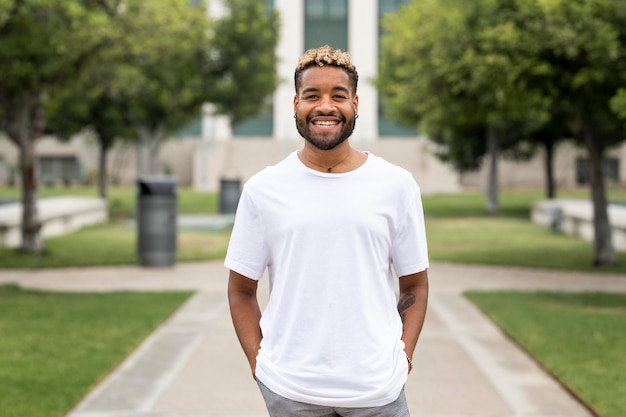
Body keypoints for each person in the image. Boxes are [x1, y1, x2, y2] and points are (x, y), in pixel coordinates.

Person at [226, 45, 429, 417]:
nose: (325, 106)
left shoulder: (397, 185)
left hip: (378, 392)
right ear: (295, 104)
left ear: (355, 103)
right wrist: (261, 366)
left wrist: (404, 357)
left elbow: (414, 284)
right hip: (290, 391)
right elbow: (241, 291)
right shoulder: (263, 189)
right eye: (311, 95)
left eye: (338, 96)